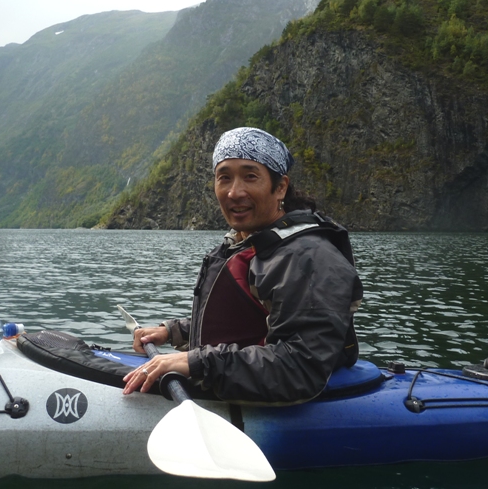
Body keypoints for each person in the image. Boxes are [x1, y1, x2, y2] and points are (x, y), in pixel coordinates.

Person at [122, 127, 363, 404]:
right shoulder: (249, 242)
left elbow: (301, 367)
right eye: (224, 177)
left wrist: (198, 362)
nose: (234, 192)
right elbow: (247, 319)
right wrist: (174, 331)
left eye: (250, 176)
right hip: (229, 381)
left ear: (280, 187)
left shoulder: (309, 258)